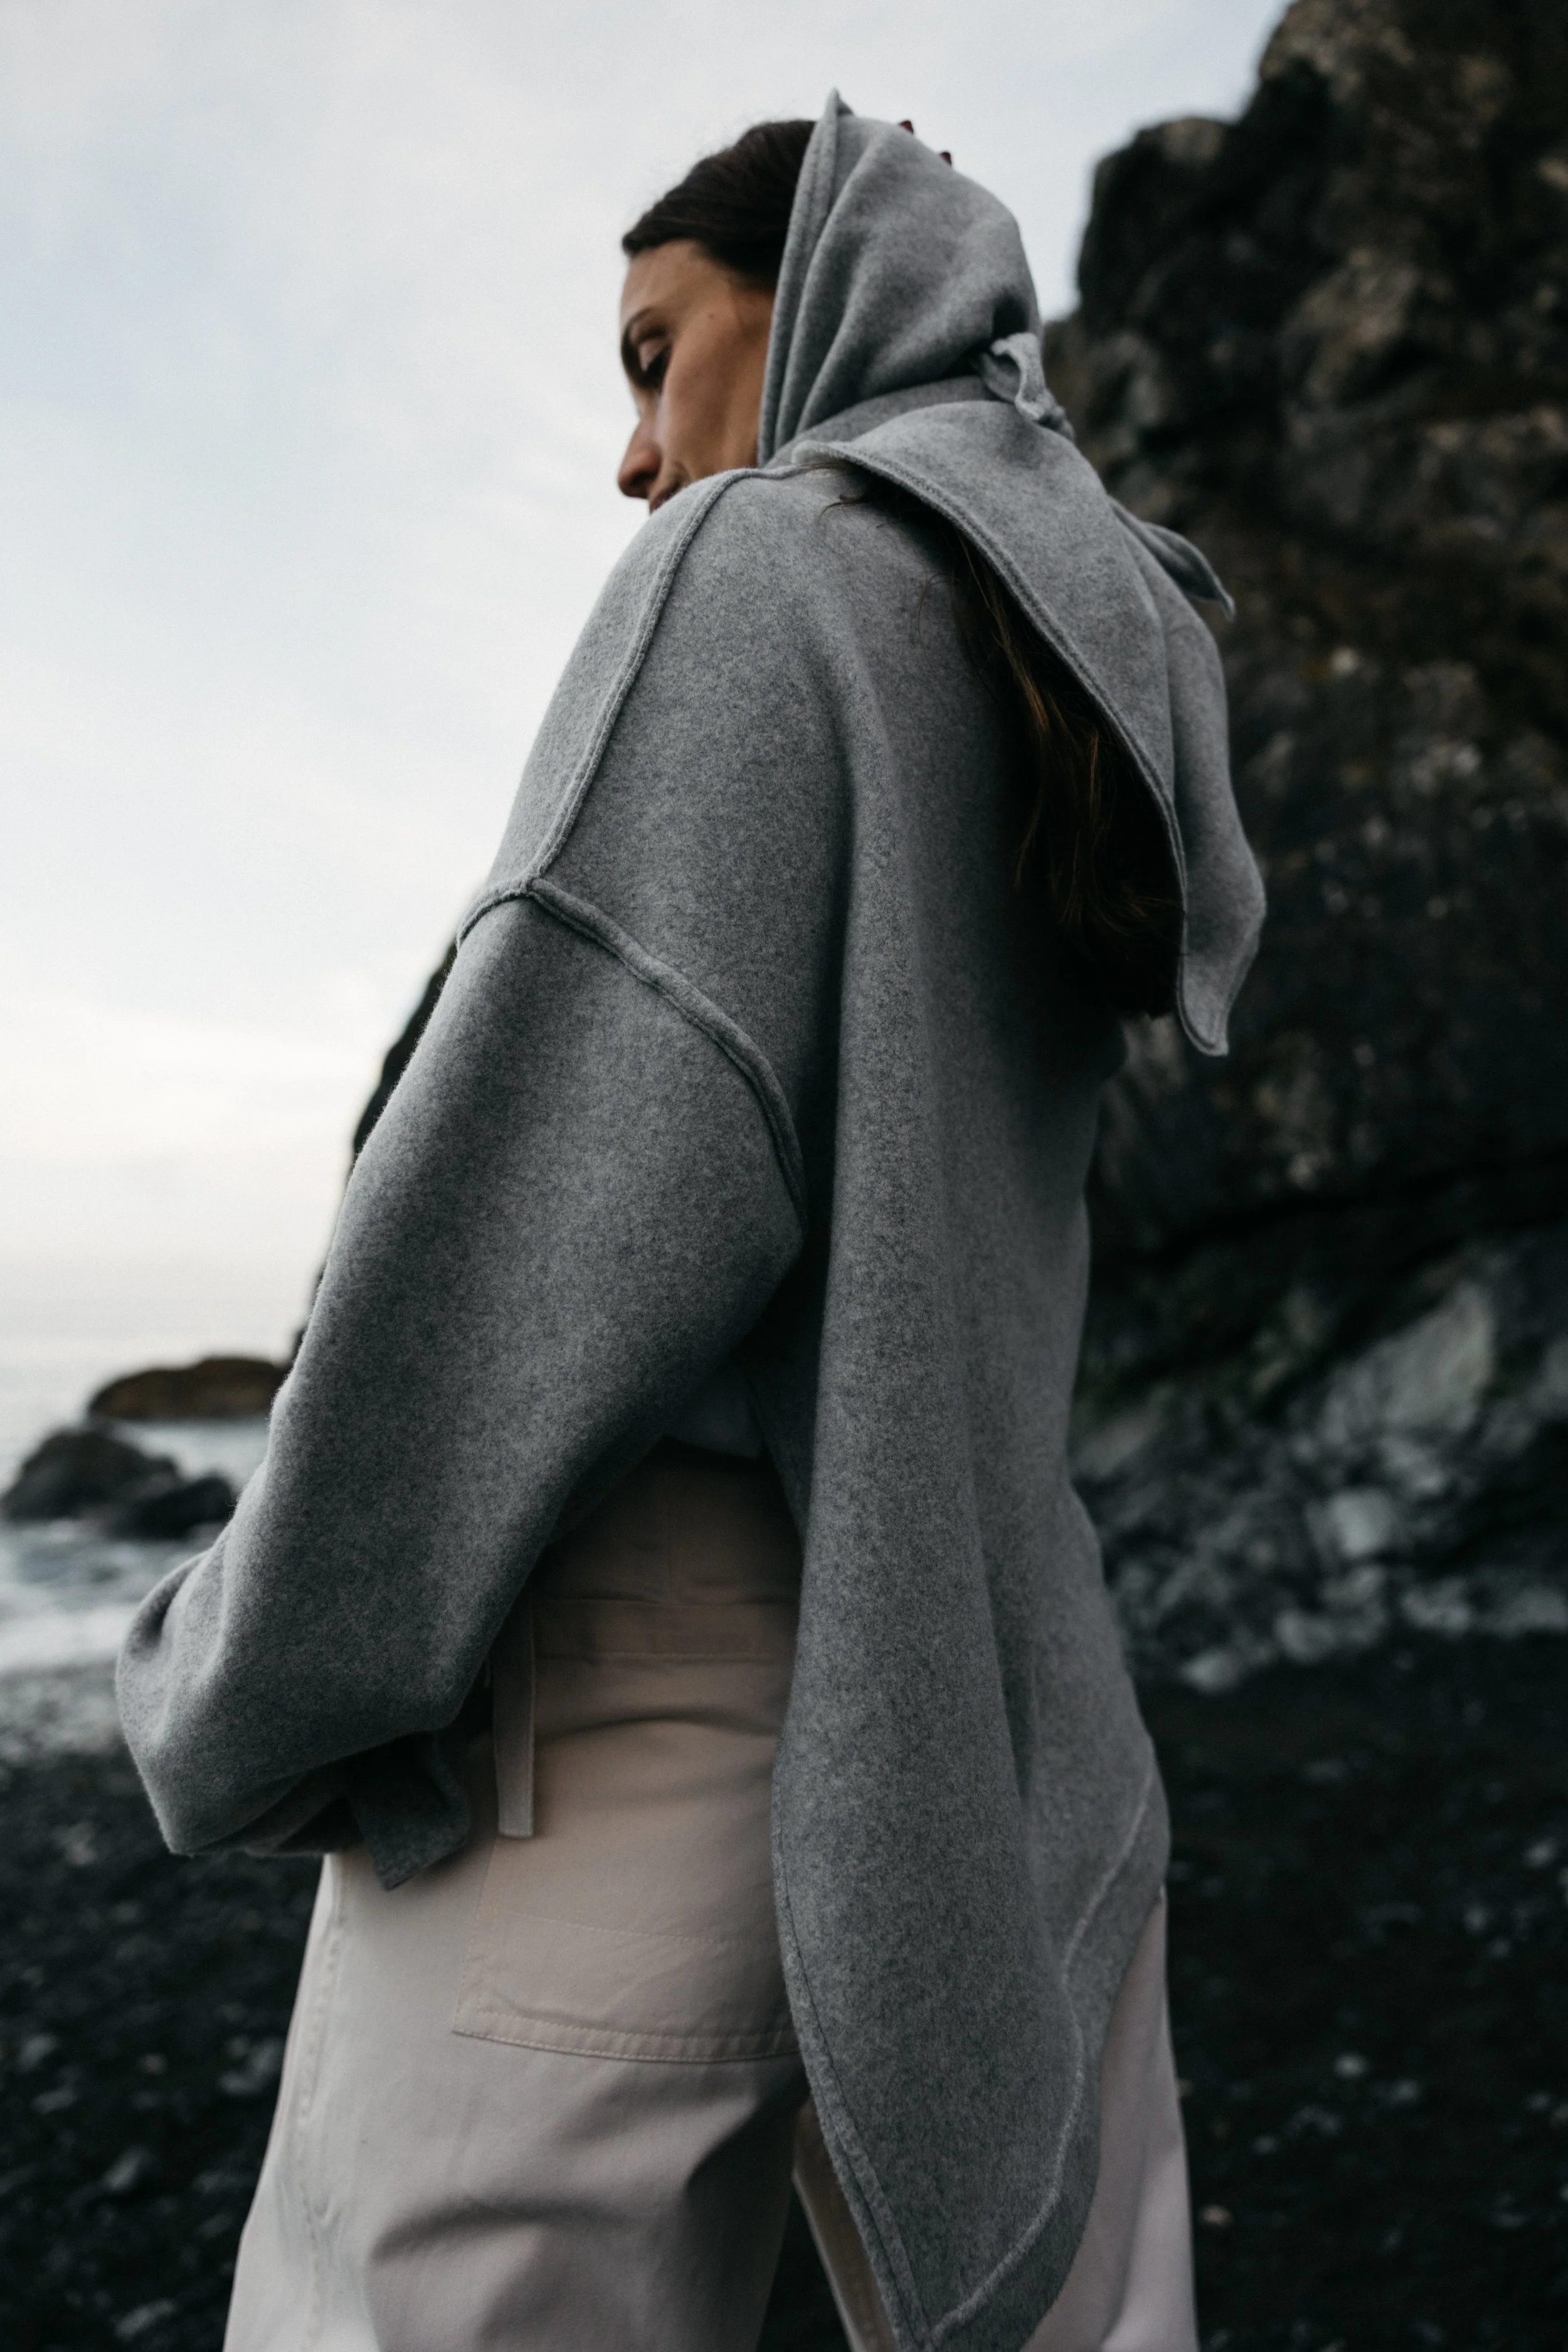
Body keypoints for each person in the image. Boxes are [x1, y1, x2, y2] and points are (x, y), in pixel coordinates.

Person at [119, 98, 1264, 2352]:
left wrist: (239, 1664)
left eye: (658, 354)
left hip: (635, 1715)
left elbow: (532, 1197)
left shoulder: (764, 578)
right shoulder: (1066, 671)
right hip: (994, 1675)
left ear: (825, 288)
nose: (637, 455)